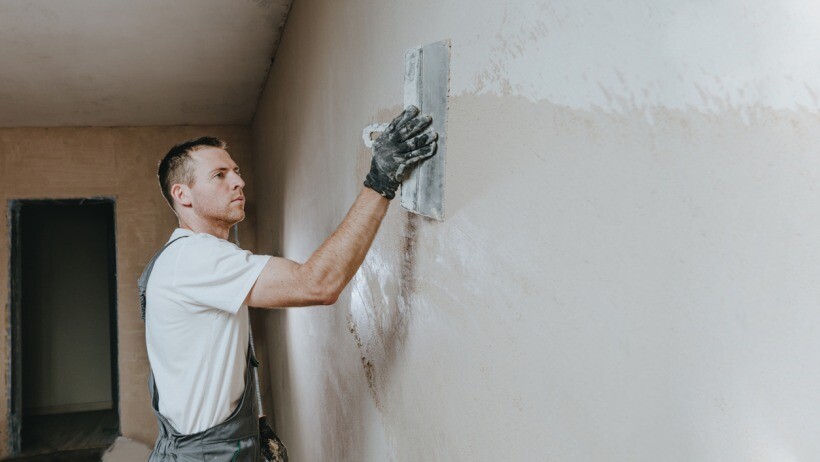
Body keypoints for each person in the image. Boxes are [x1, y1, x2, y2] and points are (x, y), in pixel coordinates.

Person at [139, 105, 437, 461]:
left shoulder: (181, 259)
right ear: (182, 195)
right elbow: (317, 284)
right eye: (219, 175)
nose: (238, 181)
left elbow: (208, 358)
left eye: (235, 171)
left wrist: (253, 424)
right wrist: (381, 181)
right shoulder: (196, 259)